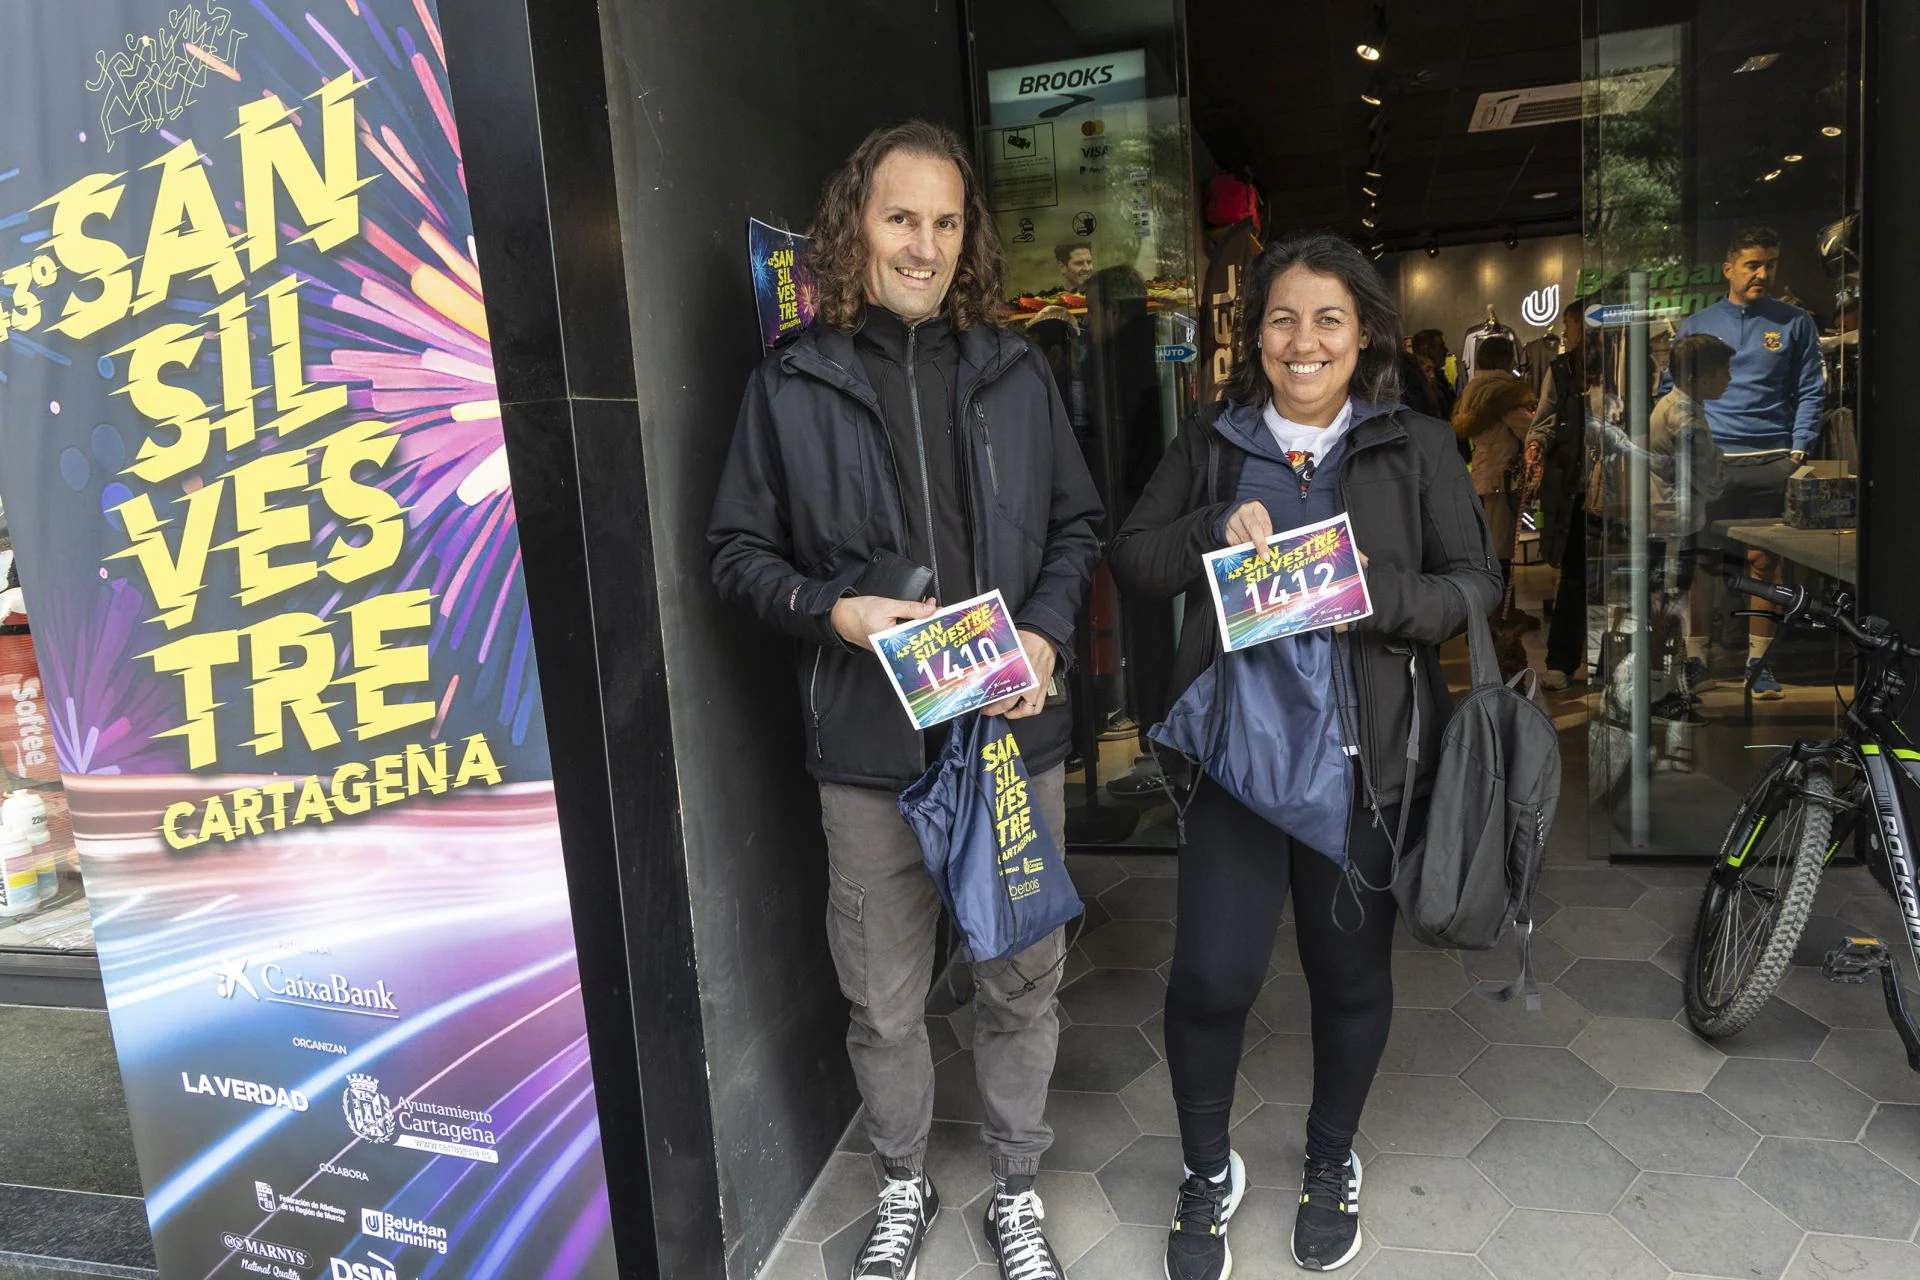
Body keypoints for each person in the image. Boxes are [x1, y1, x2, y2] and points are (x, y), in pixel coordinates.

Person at [707, 120, 1103, 1280]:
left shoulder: (1019, 368)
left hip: (1008, 740)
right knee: (881, 998)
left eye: (944, 221)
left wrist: (1044, 632)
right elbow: (735, 550)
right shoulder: (792, 380)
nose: (924, 245)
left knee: (1021, 980)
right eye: (900, 218)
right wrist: (835, 610)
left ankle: (1016, 1189)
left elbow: (1078, 527)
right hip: (871, 747)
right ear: (855, 225)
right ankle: (900, 1180)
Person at [1109, 233, 1500, 1277]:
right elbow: (1135, 556)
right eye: (1283, 317)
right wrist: (1207, 531)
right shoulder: (1213, 438)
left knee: (1349, 975)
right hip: (1235, 760)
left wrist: (1380, 594)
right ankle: (1207, 1170)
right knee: (1208, 977)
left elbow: (1475, 585)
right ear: (1256, 333)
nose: (1304, 339)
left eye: (1329, 318)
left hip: (1362, 763)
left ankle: (1332, 1160)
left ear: (1363, 329)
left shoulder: (1413, 444)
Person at [1662, 227, 1825, 699]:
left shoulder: (1794, 322)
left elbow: (1812, 389)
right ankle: (1695, 658)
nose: (1762, 273)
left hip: (1771, 458)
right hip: (1710, 460)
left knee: (1764, 563)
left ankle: (1759, 662)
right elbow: (1670, 391)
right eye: (1752, 264)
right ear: (1728, 268)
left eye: (1770, 264)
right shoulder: (1696, 324)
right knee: (1702, 563)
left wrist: (1797, 449)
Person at [1650, 334, 1734, 708]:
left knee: (1669, 600)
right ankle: (1664, 688)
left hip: (1669, 517)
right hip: (1673, 523)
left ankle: (1671, 679)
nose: (1729, 379)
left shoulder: (1679, 407)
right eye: (1724, 372)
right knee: (1670, 602)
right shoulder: (1685, 419)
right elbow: (1705, 476)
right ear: (1700, 379)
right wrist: (1722, 474)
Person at [1526, 301, 1595, 690]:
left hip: (1617, 490)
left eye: (1570, 326)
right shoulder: (1562, 369)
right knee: (1573, 577)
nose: (1566, 335)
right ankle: (1563, 661)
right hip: (1575, 487)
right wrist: (1536, 443)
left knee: (1615, 579)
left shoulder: (1627, 367)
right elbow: (1546, 418)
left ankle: (1608, 661)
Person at [1452, 334, 1535, 586]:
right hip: (1502, 477)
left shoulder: (1473, 389)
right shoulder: (1502, 393)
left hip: (1480, 474)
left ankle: (1498, 611)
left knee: (1488, 544)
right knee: (1502, 547)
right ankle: (1502, 615)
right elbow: (1527, 429)